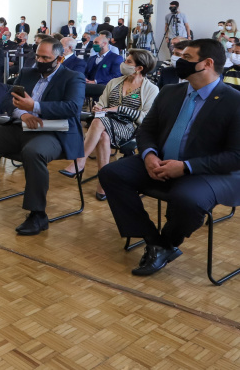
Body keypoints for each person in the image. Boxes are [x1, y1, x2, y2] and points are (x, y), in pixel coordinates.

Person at [100, 39, 240, 277]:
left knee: (187, 199)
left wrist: (185, 167)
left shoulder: (234, 101)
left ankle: (166, 244)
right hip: (161, 160)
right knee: (111, 173)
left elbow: (236, 156)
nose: (178, 61)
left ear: (207, 63)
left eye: (186, 58)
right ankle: (154, 240)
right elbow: (147, 130)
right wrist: (148, 155)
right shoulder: (170, 91)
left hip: (210, 171)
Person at [0, 38, 86, 236]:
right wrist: (23, 114)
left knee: (33, 152)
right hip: (23, 125)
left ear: (59, 59)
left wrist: (34, 107)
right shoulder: (27, 73)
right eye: (38, 56)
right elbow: (8, 99)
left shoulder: (72, 77)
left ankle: (38, 214)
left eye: (46, 57)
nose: (40, 60)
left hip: (54, 131)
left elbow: (72, 107)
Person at [60, 49, 159, 200]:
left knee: (99, 122)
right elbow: (102, 104)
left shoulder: (151, 89)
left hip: (130, 127)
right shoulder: (114, 82)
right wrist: (97, 108)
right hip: (106, 123)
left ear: (140, 68)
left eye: (128, 62)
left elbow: (146, 118)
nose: (123, 63)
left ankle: (80, 161)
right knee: (103, 136)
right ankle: (103, 182)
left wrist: (119, 109)